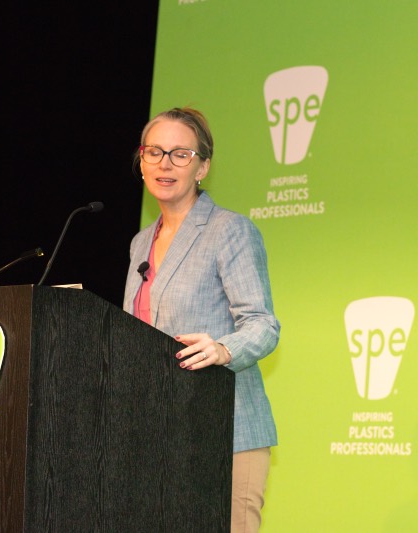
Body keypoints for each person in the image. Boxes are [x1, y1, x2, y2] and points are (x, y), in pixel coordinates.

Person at [122, 107, 280, 533]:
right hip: (160, 434)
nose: (165, 164)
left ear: (202, 167)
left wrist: (223, 348)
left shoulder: (229, 230)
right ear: (141, 160)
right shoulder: (140, 243)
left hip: (227, 431)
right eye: (154, 152)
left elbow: (263, 325)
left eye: (181, 154)